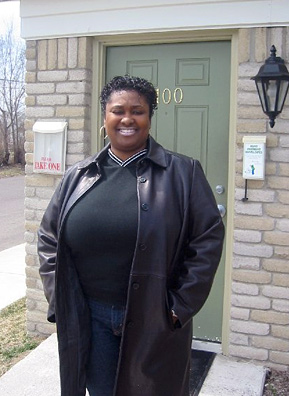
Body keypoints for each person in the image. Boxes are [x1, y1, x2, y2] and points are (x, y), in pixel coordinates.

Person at [38, 75, 224, 396]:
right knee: (102, 391)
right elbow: (48, 239)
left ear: (149, 117)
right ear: (105, 117)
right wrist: (60, 299)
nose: (127, 118)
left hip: (155, 316)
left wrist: (179, 306)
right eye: (118, 110)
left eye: (137, 110)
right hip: (91, 317)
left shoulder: (183, 173)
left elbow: (207, 238)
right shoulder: (78, 176)